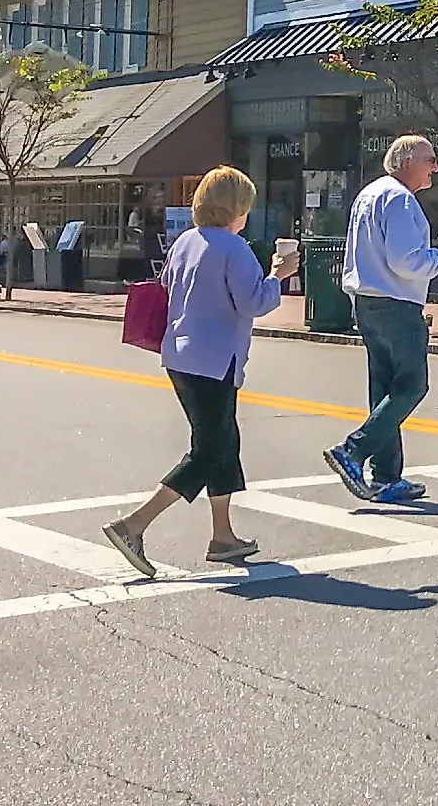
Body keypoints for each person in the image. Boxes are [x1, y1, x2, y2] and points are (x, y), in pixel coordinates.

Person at [102, 166, 299, 578]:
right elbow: (254, 303)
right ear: (237, 208)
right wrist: (278, 275)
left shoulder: (185, 242)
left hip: (180, 355)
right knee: (208, 451)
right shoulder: (235, 248)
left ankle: (222, 536)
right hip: (215, 360)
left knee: (223, 443)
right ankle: (133, 525)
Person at [324, 136, 438, 505]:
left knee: (384, 389)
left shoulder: (370, 194)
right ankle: (353, 451)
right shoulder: (400, 200)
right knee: (411, 386)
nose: (435, 168)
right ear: (407, 162)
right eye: (429, 160)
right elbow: (406, 261)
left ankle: (386, 477)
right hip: (396, 303)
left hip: (366, 301)